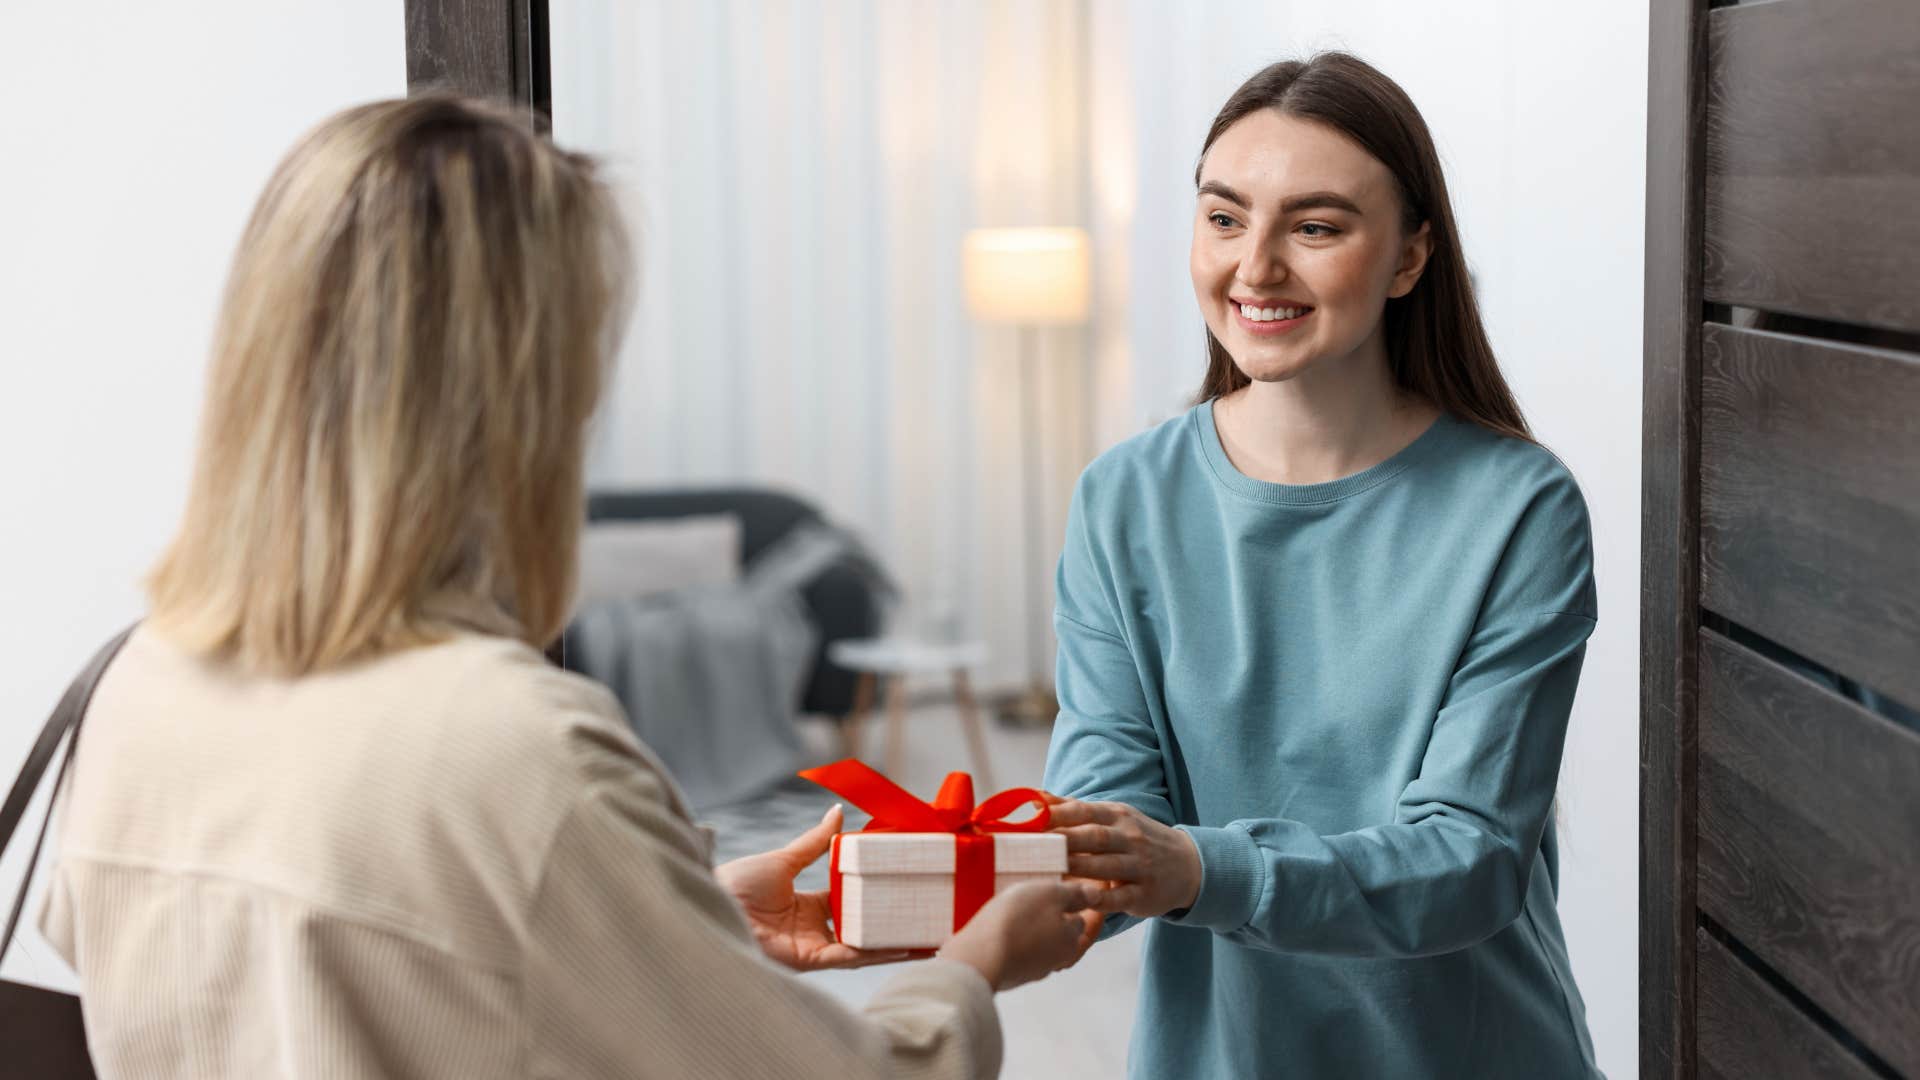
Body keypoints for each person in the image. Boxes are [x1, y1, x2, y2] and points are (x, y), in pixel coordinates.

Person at [39, 94, 1099, 1080]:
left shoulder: (137, 686)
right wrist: (968, 967)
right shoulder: (517, 752)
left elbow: (348, 980)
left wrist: (674, 928)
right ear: (522, 400)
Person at [1042, 53, 1604, 1078]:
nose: (1254, 267)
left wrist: (1196, 868)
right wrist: (928, 905)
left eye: (1315, 227)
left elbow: (1469, 860)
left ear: (1406, 257)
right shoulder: (1122, 500)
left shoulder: (1518, 509)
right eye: (1223, 218)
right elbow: (1106, 835)